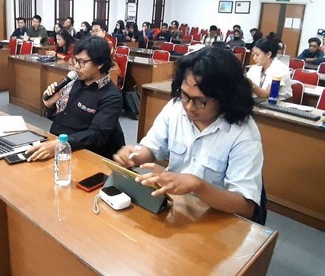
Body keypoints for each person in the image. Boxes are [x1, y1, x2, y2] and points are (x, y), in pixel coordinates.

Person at [113, 47, 264, 223]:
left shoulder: (244, 133)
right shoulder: (176, 107)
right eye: (185, 95)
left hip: (216, 220)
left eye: (201, 101)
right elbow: (152, 148)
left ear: (226, 97)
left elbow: (245, 207)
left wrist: (197, 185)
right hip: (174, 208)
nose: (189, 107)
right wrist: (135, 155)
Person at [25, 36, 125, 161]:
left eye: (82, 62)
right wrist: (51, 106)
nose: (76, 66)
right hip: (58, 145)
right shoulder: (73, 82)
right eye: (75, 60)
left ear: (100, 63)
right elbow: (59, 119)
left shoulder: (111, 96)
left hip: (84, 154)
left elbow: (96, 135)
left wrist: (60, 144)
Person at [247, 33, 292, 101]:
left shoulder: (281, 69)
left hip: (277, 106)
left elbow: (266, 94)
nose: (254, 58)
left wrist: (249, 83)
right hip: (258, 103)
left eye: (257, 55)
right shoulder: (254, 68)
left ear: (268, 54)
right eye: (253, 54)